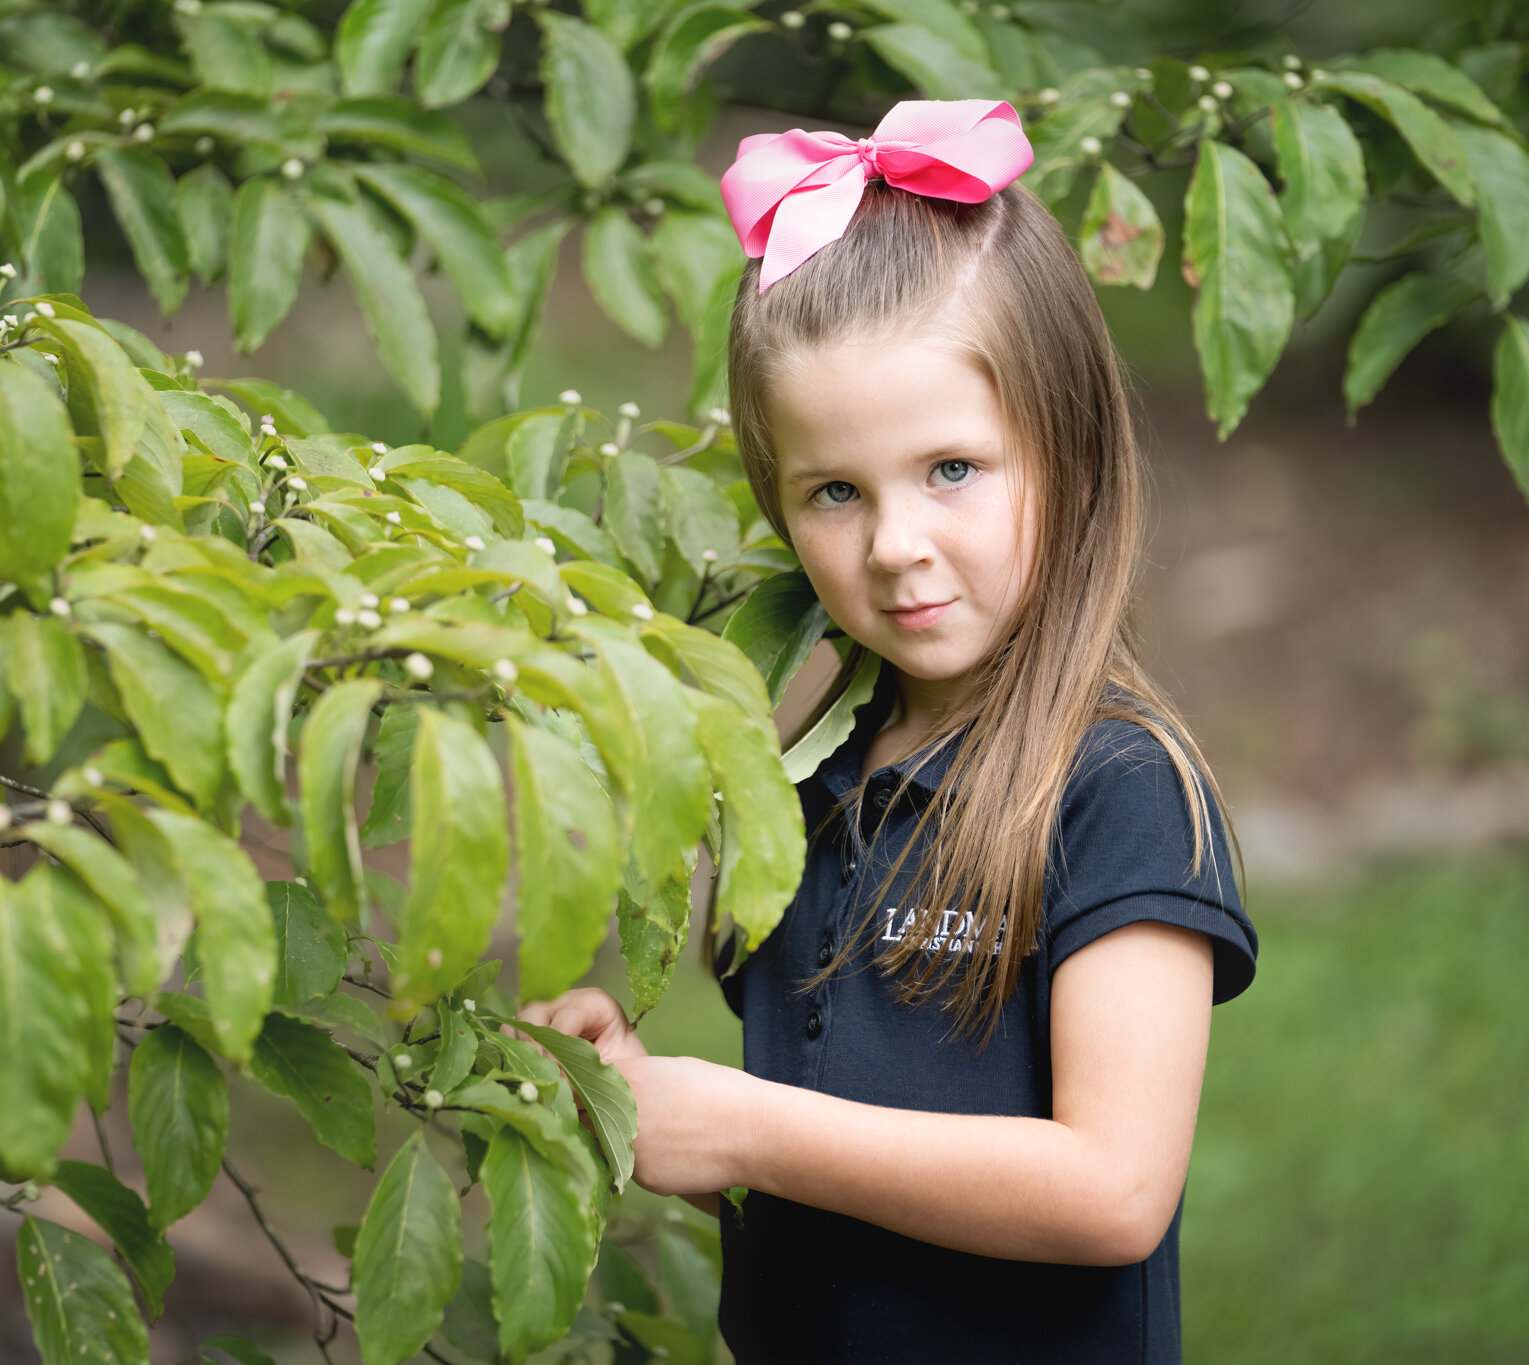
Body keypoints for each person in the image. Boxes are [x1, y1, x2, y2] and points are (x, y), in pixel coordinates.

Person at [518, 99, 1259, 1363]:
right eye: (834, 492)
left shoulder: (1114, 789)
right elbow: (848, 1155)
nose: (894, 544)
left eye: (952, 470)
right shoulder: (812, 780)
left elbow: (1109, 1192)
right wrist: (642, 1099)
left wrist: (750, 1129)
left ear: (1068, 452)